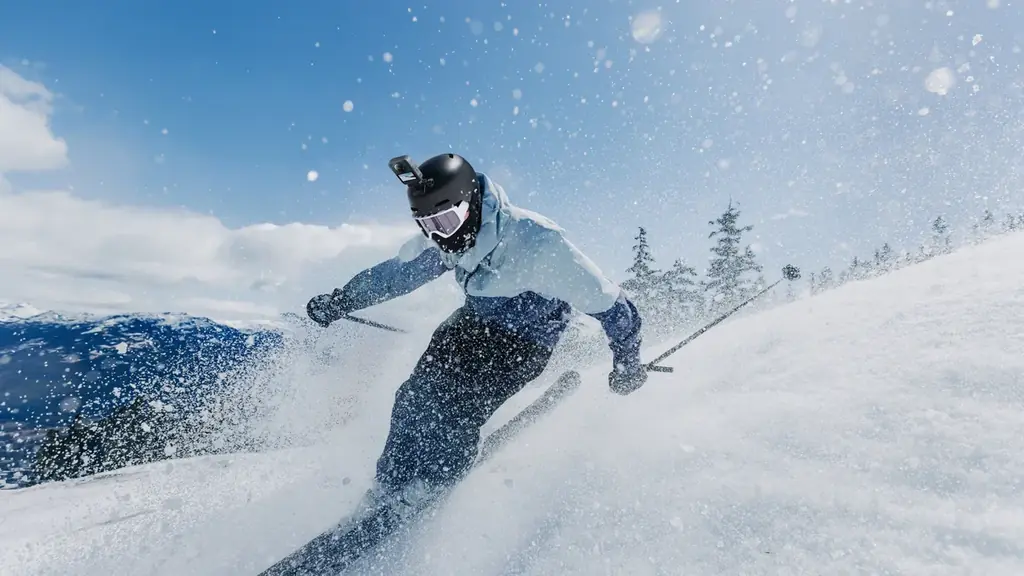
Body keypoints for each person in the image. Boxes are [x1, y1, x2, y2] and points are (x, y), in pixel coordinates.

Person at [305, 153, 647, 517]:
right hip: (473, 321)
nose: (439, 235)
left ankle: (433, 481)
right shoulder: (448, 238)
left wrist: (627, 361)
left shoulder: (537, 243)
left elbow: (612, 304)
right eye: (427, 225)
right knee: (412, 399)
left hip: (526, 341)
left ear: (470, 204)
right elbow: (397, 275)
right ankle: (389, 485)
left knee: (453, 412)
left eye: (445, 221)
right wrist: (343, 300)